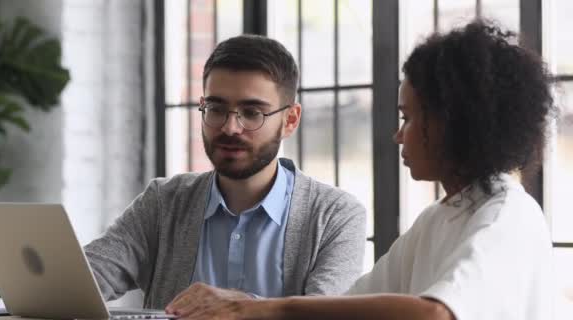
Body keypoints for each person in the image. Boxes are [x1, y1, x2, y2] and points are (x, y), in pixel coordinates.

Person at [165, 20, 555, 320]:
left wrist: (262, 309)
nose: (398, 136)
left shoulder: (508, 216)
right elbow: (347, 308)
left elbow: (436, 313)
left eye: (407, 118)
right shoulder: (440, 219)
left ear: (451, 122)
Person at [84, 34, 367, 308]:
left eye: (252, 112)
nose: (230, 127)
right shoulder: (163, 202)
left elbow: (327, 315)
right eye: (216, 109)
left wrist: (247, 308)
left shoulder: (335, 215)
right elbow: (83, 282)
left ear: (290, 120)